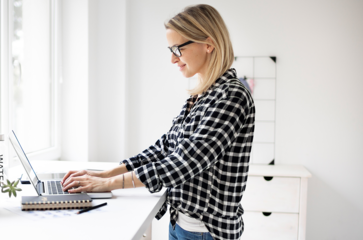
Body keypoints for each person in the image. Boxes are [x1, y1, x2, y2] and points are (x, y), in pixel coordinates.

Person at [62, 4, 255, 240]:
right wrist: (103, 175)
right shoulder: (200, 96)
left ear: (208, 43)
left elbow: (185, 162)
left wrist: (109, 183)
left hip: (206, 232)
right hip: (181, 224)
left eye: (178, 49)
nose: (173, 59)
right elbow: (164, 148)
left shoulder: (231, 96)